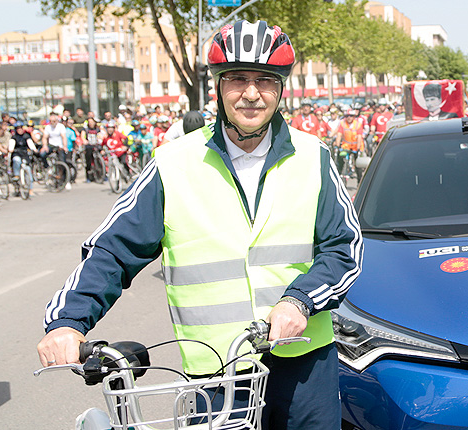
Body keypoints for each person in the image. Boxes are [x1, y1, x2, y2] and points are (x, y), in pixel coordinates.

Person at [38, 19, 361, 430]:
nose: (250, 93)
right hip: (216, 370)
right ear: (218, 86)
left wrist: (299, 301)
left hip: (303, 363)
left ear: (281, 89)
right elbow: (113, 251)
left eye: (266, 80)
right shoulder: (173, 162)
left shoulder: (312, 156)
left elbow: (345, 248)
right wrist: (67, 322)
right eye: (237, 79)